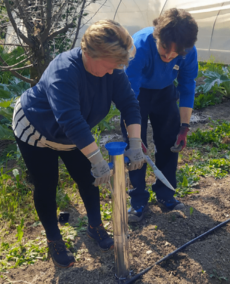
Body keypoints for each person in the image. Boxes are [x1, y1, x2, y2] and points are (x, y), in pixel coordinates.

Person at [12, 19, 145, 269]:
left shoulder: (112, 68)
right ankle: (54, 238)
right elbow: (71, 122)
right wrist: (97, 161)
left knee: (87, 178)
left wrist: (135, 143)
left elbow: (129, 104)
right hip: (36, 128)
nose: (112, 72)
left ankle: (95, 226)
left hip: (73, 133)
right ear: (88, 53)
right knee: (46, 182)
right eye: (109, 66)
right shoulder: (64, 72)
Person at [121, 8, 199, 222]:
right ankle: (137, 199)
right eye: (165, 49)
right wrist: (135, 138)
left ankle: (165, 194)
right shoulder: (139, 47)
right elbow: (129, 96)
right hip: (137, 94)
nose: (168, 56)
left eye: (175, 54)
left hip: (165, 91)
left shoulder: (188, 51)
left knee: (169, 142)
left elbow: (187, 86)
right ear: (157, 36)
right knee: (135, 150)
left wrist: (184, 127)